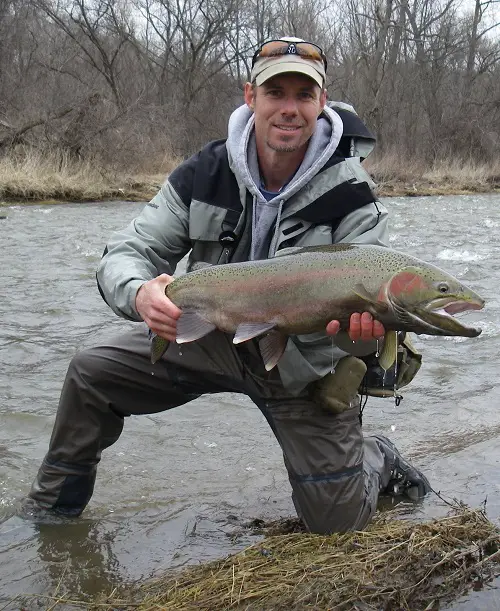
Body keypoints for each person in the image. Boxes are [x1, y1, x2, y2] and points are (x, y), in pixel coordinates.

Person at [25, 36, 430, 533]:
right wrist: (139, 293)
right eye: (274, 92)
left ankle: (377, 458)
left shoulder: (353, 195)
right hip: (211, 334)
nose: (289, 108)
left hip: (303, 364)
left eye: (303, 96)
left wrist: (358, 335)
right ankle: (50, 516)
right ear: (250, 97)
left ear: (322, 103)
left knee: (337, 525)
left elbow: (357, 327)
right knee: (91, 372)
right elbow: (127, 252)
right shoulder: (204, 172)